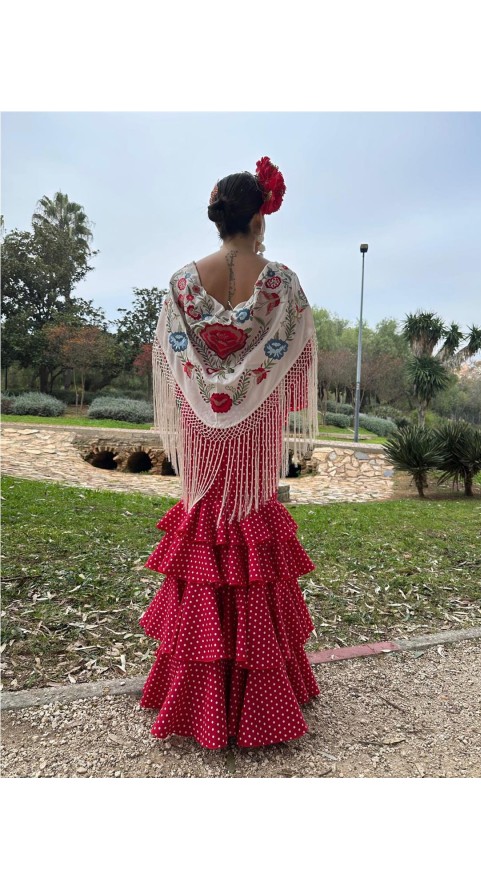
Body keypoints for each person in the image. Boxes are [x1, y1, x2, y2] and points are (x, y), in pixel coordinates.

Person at [139, 157, 321, 749]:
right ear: (260, 215)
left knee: (204, 536)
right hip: (253, 438)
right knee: (250, 536)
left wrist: (210, 394)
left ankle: (194, 693)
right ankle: (262, 697)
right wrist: (251, 392)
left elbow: (171, 356)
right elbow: (296, 358)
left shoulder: (182, 283)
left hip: (201, 429)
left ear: (220, 217)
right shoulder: (282, 285)